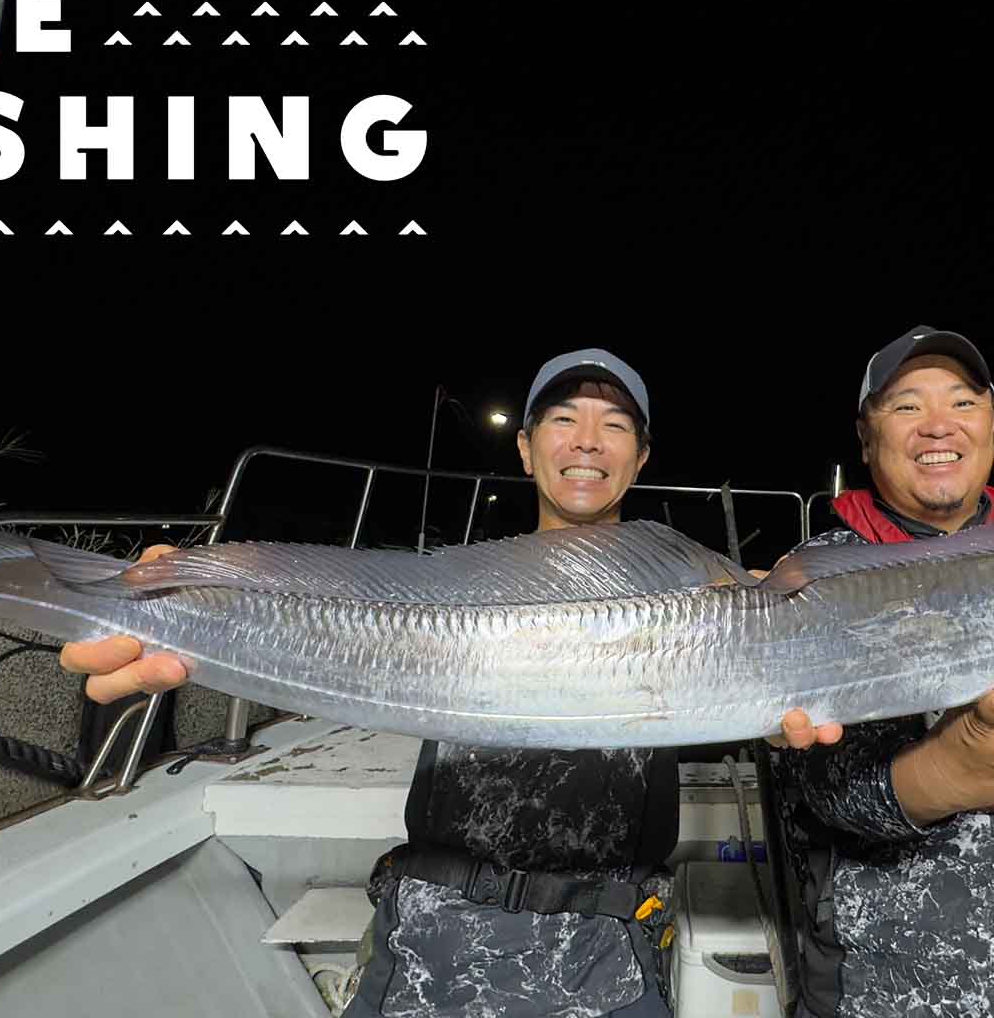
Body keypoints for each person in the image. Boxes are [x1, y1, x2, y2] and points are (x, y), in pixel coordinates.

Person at [62, 347, 840, 1017]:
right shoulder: (449, 589)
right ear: (527, 449)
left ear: (640, 458)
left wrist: (784, 676)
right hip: (431, 930)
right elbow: (327, 608)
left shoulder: (702, 595)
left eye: (616, 426)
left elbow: (778, 689)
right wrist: (195, 588)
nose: (589, 442)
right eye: (564, 419)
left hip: (608, 948)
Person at [769, 326, 994, 1018]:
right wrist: (954, 770)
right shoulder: (815, 576)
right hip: (895, 988)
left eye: (963, 402)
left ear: (992, 424)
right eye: (906, 406)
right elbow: (825, 794)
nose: (937, 425)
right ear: (866, 433)